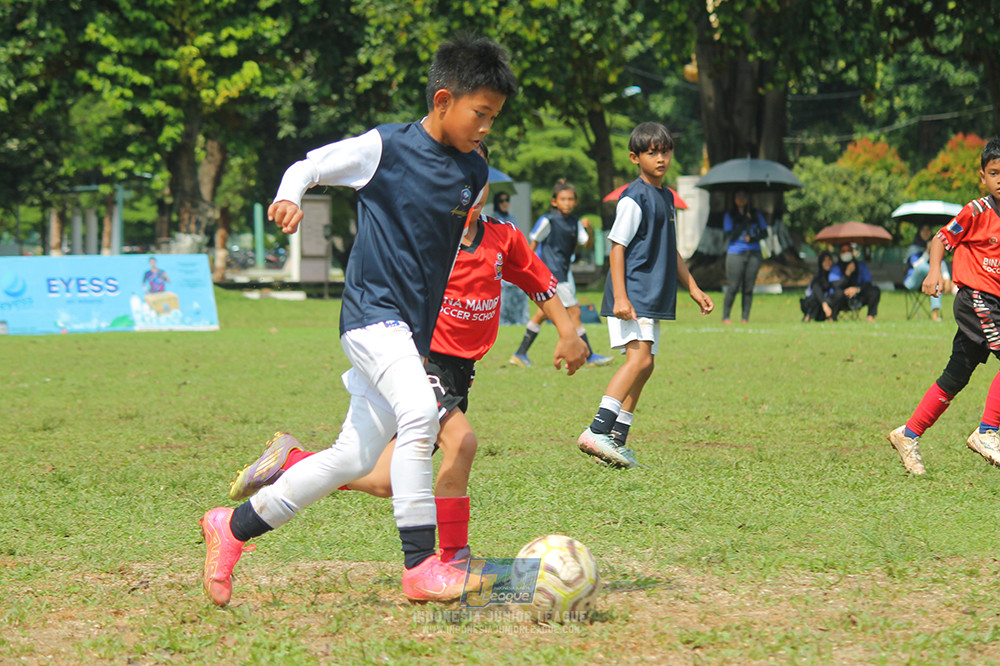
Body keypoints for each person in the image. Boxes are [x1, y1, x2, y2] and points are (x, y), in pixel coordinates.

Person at [198, 35, 518, 606]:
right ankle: (422, 567)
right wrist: (290, 195)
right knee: (420, 412)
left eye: (493, 117)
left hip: (408, 332)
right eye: (481, 113)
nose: (486, 127)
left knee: (352, 457)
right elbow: (312, 165)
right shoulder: (385, 148)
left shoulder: (473, 169)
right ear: (443, 99)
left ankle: (233, 526)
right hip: (372, 316)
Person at [228, 145, 588, 566]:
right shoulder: (428, 235)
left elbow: (540, 284)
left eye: (478, 177)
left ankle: (294, 461)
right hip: (420, 359)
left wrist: (568, 332)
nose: (469, 187)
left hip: (459, 372)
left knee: (383, 480)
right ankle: (454, 558)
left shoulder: (503, 237)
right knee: (462, 442)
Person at [577, 122, 714, 468]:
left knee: (647, 364)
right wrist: (621, 297)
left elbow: (672, 252)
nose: (661, 158)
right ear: (635, 158)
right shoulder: (634, 198)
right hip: (634, 293)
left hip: (653, 294)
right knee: (637, 360)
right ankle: (596, 431)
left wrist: (694, 288)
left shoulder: (666, 198)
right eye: (652, 152)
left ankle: (616, 439)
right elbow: (616, 248)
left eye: (665, 151)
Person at [887, 138, 1000, 475]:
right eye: (995, 173)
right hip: (976, 299)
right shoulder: (977, 211)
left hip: (992, 304)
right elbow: (941, 238)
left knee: (956, 376)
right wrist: (935, 270)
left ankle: (908, 434)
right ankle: (988, 432)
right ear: (982, 177)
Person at [510, 180, 612, 368]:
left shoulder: (575, 222)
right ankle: (588, 355)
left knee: (542, 314)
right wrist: (528, 268)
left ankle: (520, 353)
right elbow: (532, 242)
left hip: (565, 271)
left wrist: (589, 228)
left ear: (576, 202)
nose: (567, 202)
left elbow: (586, 244)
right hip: (554, 273)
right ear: (554, 201)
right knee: (574, 312)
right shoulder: (548, 220)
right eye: (563, 199)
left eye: (570, 199)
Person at [721, 189, 767, 324]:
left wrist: (753, 239)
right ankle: (726, 316)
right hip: (735, 253)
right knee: (733, 286)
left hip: (753, 254)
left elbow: (764, 233)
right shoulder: (730, 215)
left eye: (744, 197)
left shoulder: (756, 214)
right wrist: (744, 222)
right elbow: (729, 236)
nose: (741, 200)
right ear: (734, 199)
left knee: (748, 287)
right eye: (738, 197)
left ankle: (745, 318)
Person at [493, 191, 529, 326]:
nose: (504, 203)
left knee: (518, 291)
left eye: (507, 200)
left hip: (512, 257)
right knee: (502, 293)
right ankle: (502, 320)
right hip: (499, 258)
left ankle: (519, 319)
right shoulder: (493, 219)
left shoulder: (512, 219)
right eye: (501, 201)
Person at [904, 223, 953, 321]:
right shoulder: (914, 248)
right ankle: (943, 280)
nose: (926, 233)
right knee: (929, 271)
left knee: (936, 279)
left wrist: (947, 278)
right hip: (912, 281)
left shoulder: (935, 247)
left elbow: (941, 263)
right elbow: (916, 266)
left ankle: (935, 313)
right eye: (923, 230)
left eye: (928, 230)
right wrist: (927, 251)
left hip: (931, 282)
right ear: (919, 232)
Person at [828, 243, 881, 322]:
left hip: (858, 296)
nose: (846, 253)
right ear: (840, 253)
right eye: (843, 251)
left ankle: (870, 316)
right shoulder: (836, 268)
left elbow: (867, 283)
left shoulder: (861, 266)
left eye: (848, 251)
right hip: (843, 297)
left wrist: (856, 289)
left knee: (875, 290)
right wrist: (847, 274)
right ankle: (833, 317)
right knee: (838, 294)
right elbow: (836, 285)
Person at [800, 251, 834, 322]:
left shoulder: (834, 276)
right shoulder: (817, 278)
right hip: (812, 303)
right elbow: (817, 290)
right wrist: (824, 304)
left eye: (829, 260)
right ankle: (808, 316)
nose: (827, 262)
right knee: (816, 296)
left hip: (826, 304)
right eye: (825, 260)